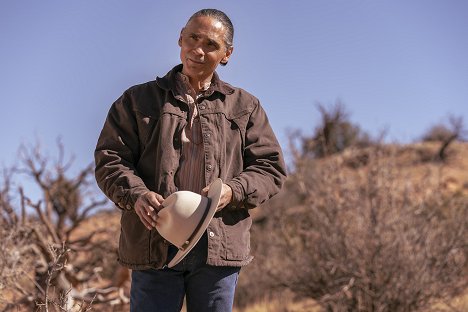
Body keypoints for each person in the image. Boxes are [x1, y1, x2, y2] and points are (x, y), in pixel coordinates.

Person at [94, 8, 286, 312]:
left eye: (211, 44)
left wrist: (233, 191)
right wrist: (137, 195)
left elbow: (270, 168)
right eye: (192, 38)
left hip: (218, 248)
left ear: (227, 54)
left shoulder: (245, 106)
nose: (198, 50)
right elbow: (110, 159)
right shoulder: (137, 100)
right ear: (180, 38)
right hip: (153, 242)